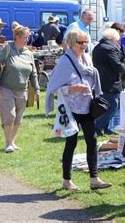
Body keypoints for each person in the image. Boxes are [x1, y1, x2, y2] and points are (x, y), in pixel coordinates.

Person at [45, 29, 112, 191]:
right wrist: (73, 88)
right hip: (71, 108)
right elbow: (54, 87)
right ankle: (67, 181)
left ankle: (94, 179)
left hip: (87, 106)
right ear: (71, 43)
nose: (83, 45)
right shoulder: (64, 62)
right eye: (80, 43)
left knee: (92, 140)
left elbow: (90, 77)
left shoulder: (87, 58)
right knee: (71, 143)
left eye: (85, 42)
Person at [0, 24, 40, 153]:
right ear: (17, 37)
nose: (27, 39)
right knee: (10, 115)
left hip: (22, 89)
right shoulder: (7, 49)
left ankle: (12, 141)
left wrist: (37, 89)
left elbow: (33, 73)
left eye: (28, 37)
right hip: (6, 88)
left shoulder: (29, 53)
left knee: (18, 117)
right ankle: (8, 143)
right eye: (25, 37)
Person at [92, 28, 125, 135]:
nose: (117, 43)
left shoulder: (98, 47)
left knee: (105, 106)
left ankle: (105, 128)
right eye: (116, 40)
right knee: (113, 106)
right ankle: (98, 126)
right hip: (110, 81)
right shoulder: (109, 49)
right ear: (112, 38)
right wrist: (124, 66)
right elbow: (117, 66)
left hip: (101, 80)